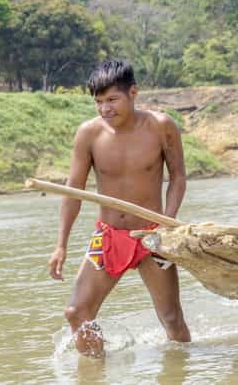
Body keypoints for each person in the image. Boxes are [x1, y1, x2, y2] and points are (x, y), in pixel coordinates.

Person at [47, 60, 191, 358]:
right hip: (109, 236)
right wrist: (60, 245)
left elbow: (177, 176)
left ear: (133, 92)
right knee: (77, 312)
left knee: (172, 319)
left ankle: (183, 370)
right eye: (98, 102)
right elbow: (73, 191)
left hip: (152, 237)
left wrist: (168, 221)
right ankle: (96, 371)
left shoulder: (161, 126)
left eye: (112, 99)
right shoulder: (89, 134)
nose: (105, 109)